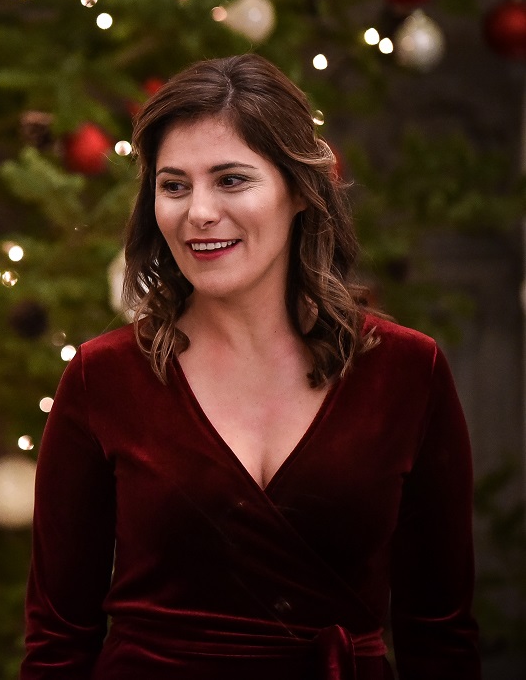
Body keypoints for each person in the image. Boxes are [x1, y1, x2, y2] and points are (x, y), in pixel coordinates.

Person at [23, 54, 478, 679]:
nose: (198, 212)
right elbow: (58, 642)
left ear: (300, 190)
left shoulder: (407, 371)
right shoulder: (102, 378)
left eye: (231, 180)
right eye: (174, 185)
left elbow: (441, 635)